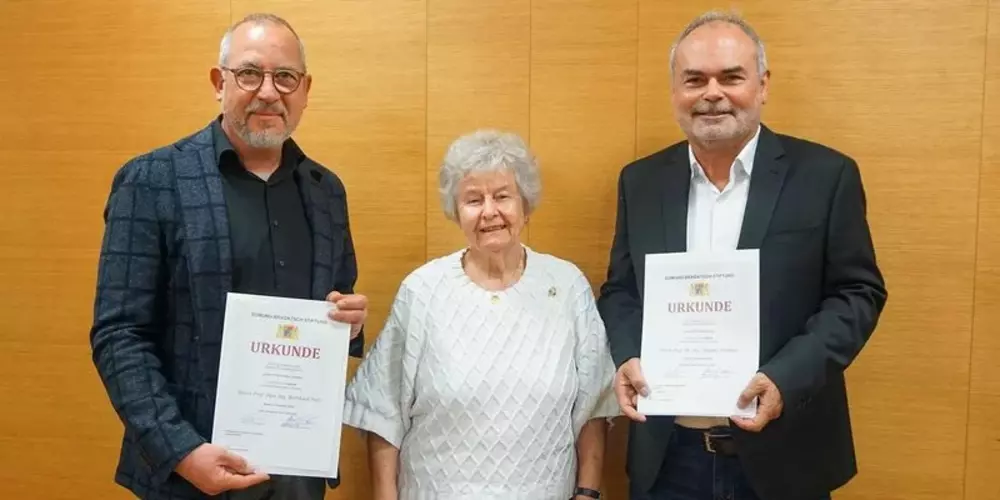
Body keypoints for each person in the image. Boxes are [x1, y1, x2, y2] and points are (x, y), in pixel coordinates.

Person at [597, 11, 888, 500]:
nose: (713, 93)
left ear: (762, 85)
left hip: (785, 454)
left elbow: (856, 294)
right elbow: (621, 290)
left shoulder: (826, 175)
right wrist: (627, 354)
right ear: (675, 90)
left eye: (731, 77)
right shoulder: (641, 181)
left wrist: (785, 378)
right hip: (668, 456)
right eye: (694, 79)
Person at [89, 13, 368, 500]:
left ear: (304, 89)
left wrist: (350, 323)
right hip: (188, 479)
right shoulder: (152, 180)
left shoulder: (327, 192)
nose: (268, 92)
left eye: (285, 77)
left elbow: (331, 311)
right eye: (249, 73)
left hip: (295, 478)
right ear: (219, 82)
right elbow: (119, 336)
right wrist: (180, 451)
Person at [342, 129, 619, 500]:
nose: (490, 211)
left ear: (525, 204)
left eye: (502, 196)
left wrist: (587, 492)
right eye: (473, 199)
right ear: (456, 211)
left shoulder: (567, 286)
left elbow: (595, 403)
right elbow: (382, 413)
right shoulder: (422, 291)